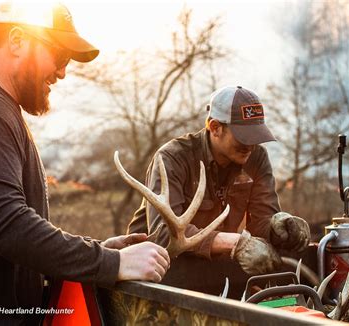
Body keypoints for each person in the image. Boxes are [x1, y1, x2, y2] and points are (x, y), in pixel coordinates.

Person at [0, 2, 169, 324]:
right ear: (17, 40)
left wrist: (98, 249)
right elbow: (4, 225)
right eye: (59, 56)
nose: (63, 72)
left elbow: (15, 237)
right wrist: (111, 263)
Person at [128, 85, 310, 276]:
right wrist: (234, 243)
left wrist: (278, 227)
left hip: (212, 271)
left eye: (256, 136)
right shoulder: (173, 159)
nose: (250, 145)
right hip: (155, 273)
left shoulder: (256, 158)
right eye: (244, 138)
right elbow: (164, 234)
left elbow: (260, 223)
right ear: (215, 128)